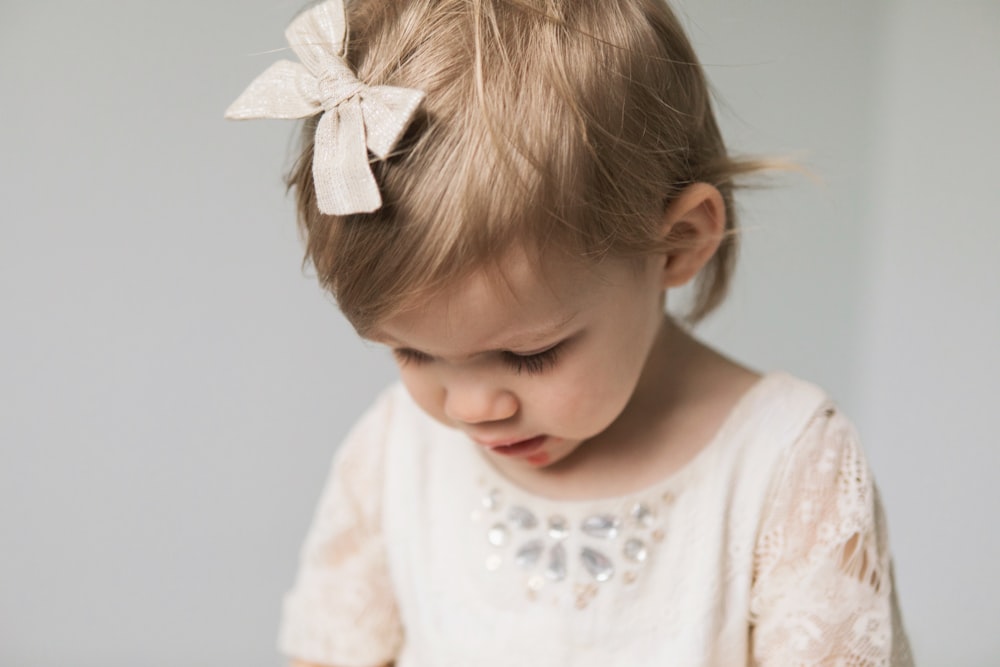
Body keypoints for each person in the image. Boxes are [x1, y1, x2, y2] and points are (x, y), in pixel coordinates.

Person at [226, 0, 913, 665]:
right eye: (412, 351)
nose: (468, 407)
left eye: (529, 355)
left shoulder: (788, 469)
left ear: (675, 243)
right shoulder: (393, 455)